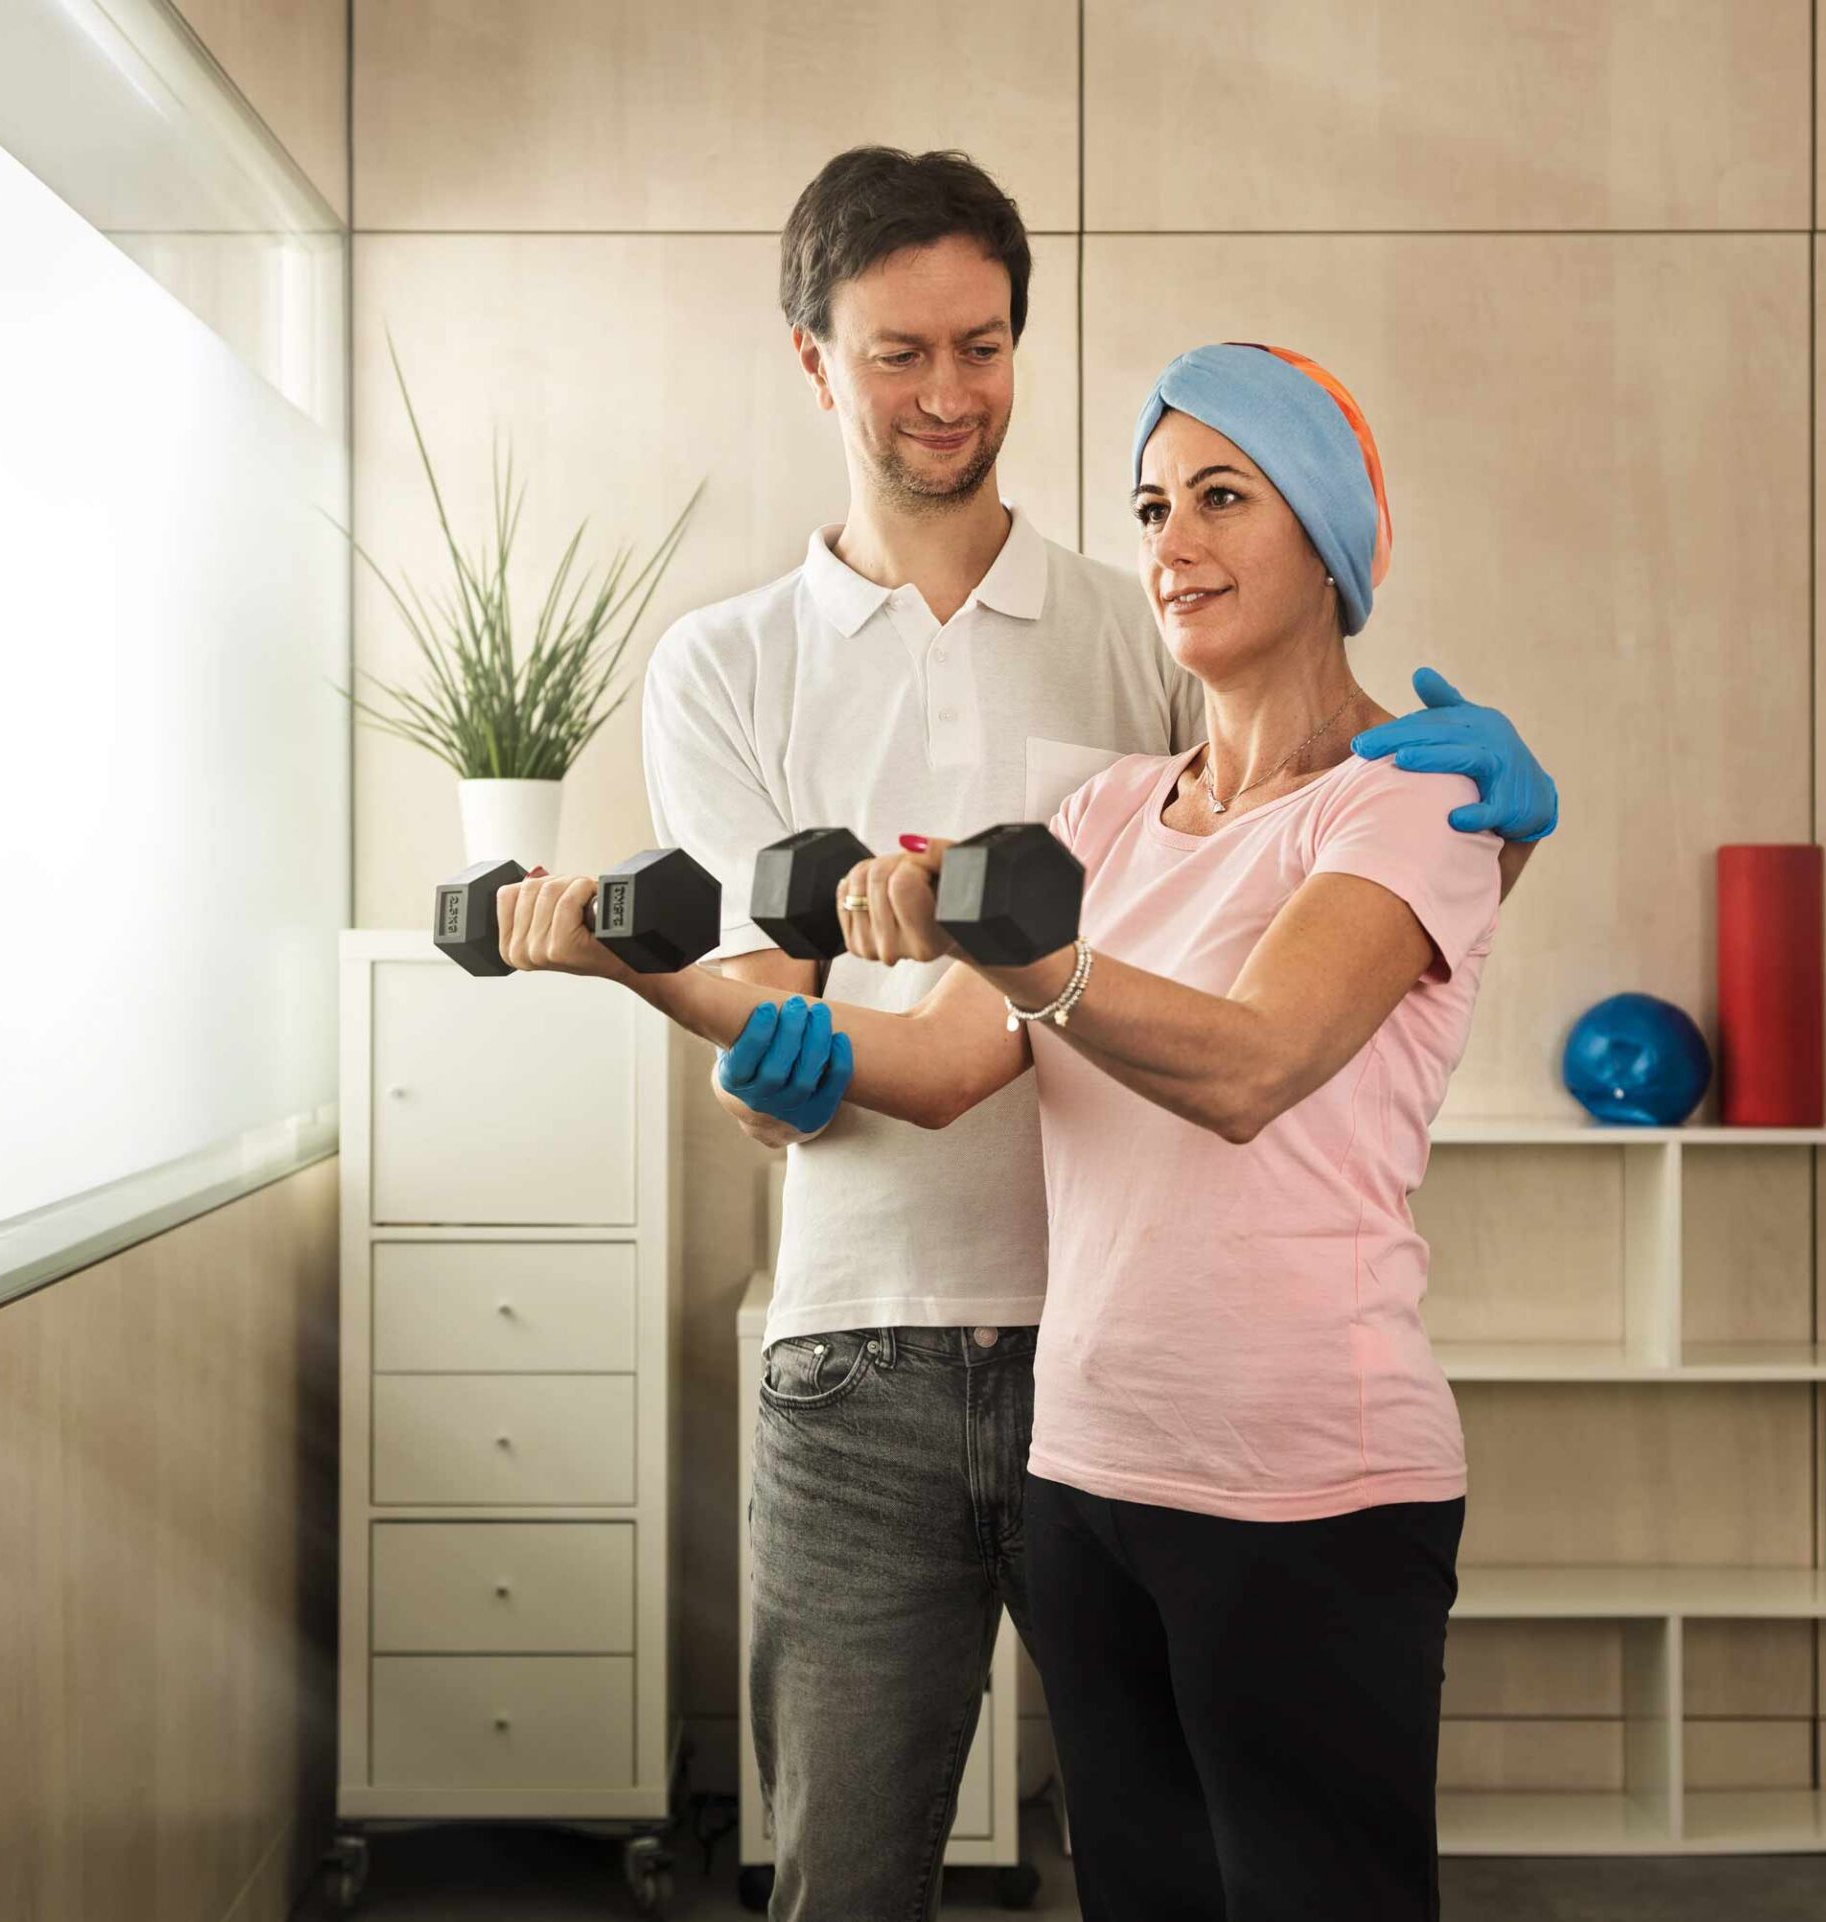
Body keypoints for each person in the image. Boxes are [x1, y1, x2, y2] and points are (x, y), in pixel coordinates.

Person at [631, 148, 1555, 1922]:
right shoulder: (1059, 787)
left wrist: (1500, 837)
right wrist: (657, 979)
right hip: (997, 1404)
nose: (1178, 544)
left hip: (1238, 1423)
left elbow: (1268, 1030)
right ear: (816, 360)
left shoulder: (1276, 718)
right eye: (1155, 507)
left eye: (982, 346)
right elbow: (895, 1040)